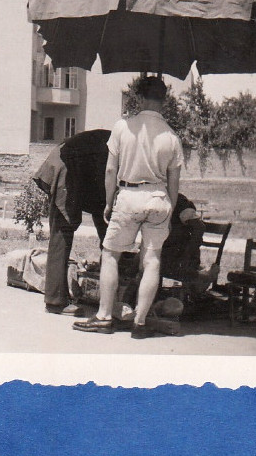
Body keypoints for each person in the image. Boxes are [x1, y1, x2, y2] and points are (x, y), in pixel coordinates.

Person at [74, 76, 183, 339]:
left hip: (130, 194)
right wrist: (168, 212)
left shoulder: (123, 127)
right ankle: (141, 322)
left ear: (140, 97)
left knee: (111, 254)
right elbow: (174, 184)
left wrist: (110, 202)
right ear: (164, 100)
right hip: (159, 198)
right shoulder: (172, 137)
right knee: (152, 259)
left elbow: (111, 169)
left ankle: (103, 316)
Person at [33, 129, 110, 316]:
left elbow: (102, 213)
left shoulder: (118, 144)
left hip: (73, 169)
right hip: (65, 171)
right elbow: (106, 214)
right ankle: (55, 302)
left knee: (103, 230)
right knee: (62, 233)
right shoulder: (124, 150)